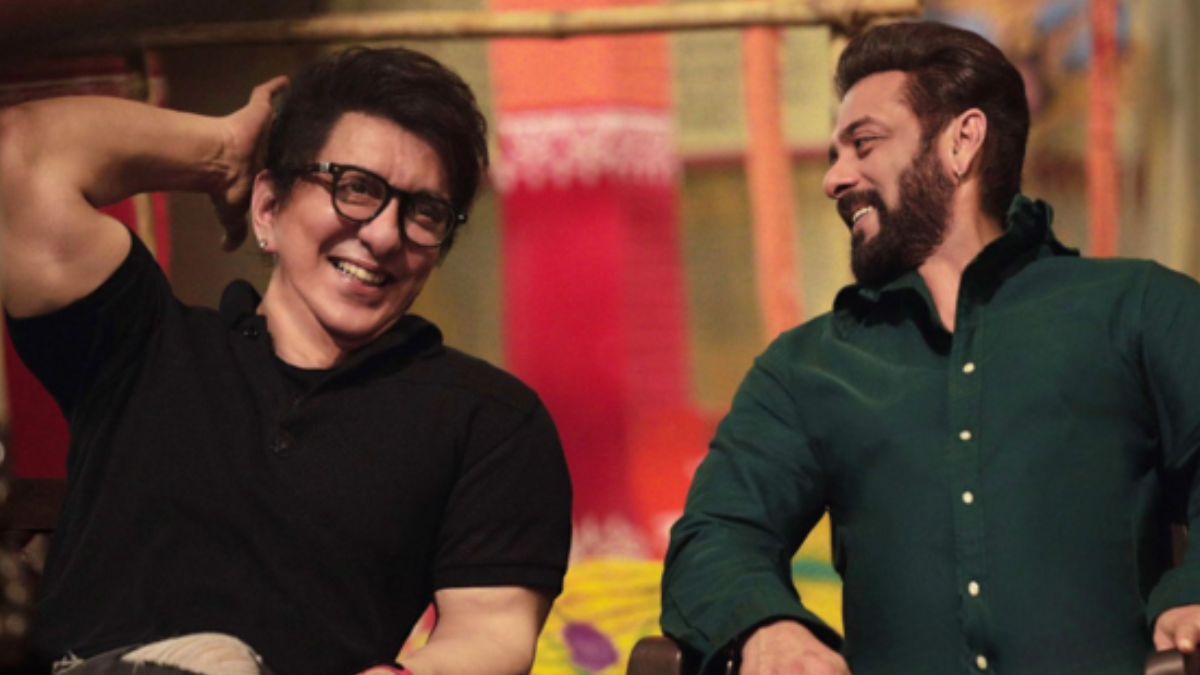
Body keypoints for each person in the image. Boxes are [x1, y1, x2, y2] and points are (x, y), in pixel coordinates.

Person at [0, 46, 572, 675]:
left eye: (425, 212)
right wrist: (220, 152)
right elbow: (19, 157)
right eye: (356, 188)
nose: (384, 234)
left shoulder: (488, 422)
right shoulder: (140, 343)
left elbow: (493, 632)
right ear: (268, 207)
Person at [661, 20, 1200, 675]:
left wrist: (1192, 592)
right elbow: (717, 534)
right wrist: (765, 627)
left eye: (863, 143)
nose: (835, 179)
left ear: (961, 141)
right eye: (835, 153)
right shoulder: (805, 368)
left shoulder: (1139, 308)